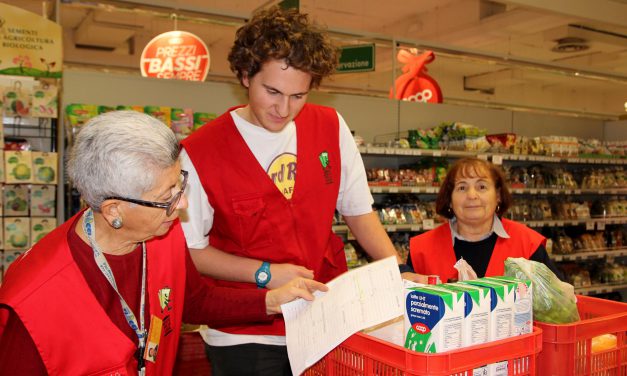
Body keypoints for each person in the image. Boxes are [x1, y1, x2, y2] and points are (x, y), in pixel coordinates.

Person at [179, 6, 422, 375]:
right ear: (245, 75)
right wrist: (264, 273)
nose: (283, 109)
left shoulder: (329, 126)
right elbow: (193, 250)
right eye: (272, 91)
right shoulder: (201, 151)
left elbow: (358, 210)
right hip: (245, 332)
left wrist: (396, 270)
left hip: (323, 319)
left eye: (298, 96)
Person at [0, 111, 327, 375]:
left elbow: (194, 301)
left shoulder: (160, 235)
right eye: (165, 197)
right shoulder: (34, 303)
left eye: (179, 184)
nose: (182, 204)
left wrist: (272, 301)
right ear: (114, 210)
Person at [407, 157, 563, 283]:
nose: (472, 195)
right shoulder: (421, 250)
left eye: (482, 187)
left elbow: (560, 305)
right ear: (449, 199)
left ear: (498, 195)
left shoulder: (528, 244)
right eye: (462, 187)